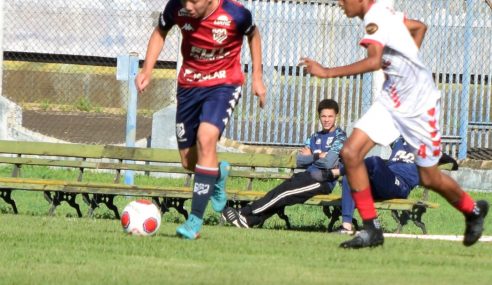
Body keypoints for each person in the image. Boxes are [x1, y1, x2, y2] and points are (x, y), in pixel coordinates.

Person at [300, 0, 488, 248]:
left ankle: (472, 210)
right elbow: (419, 27)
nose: (340, 3)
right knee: (350, 153)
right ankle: (371, 229)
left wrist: (326, 72)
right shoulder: (384, 14)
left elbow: (374, 60)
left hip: (419, 104)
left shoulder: (374, 18)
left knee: (429, 176)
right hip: (391, 98)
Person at [135, 0, 266, 239]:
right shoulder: (177, 7)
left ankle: (194, 221)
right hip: (189, 87)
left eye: (194, 1)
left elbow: (254, 36)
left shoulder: (235, 13)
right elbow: (160, 32)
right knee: (188, 161)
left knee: (206, 138)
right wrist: (147, 69)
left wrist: (257, 76)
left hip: (223, 84)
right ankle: (217, 175)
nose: (189, 6)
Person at [221, 99, 347, 228]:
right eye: (323, 116)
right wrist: (317, 156)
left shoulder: (340, 137)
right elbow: (299, 161)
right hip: (306, 176)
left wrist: (310, 157)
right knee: (280, 194)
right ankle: (248, 221)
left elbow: (328, 163)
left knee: (283, 193)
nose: (326, 120)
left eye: (330, 116)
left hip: (322, 181)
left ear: (336, 116)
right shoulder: (314, 137)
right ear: (319, 117)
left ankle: (242, 212)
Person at [334, 136, 420, 234]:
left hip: (401, 184)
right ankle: (346, 227)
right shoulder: (399, 141)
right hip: (384, 179)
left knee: (375, 161)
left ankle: (341, 171)